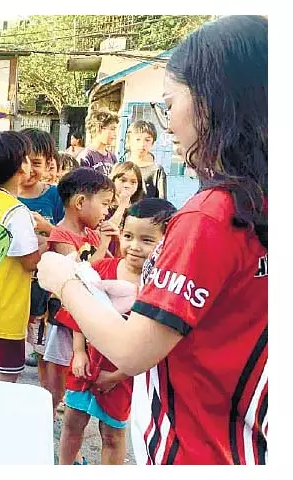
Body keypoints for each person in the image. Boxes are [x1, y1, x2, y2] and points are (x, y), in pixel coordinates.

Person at [36, 15, 268, 465]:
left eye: (169, 104)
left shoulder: (209, 215)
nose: (167, 125)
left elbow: (131, 350)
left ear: (211, 102)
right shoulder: (261, 202)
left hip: (197, 447)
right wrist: (140, 296)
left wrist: (64, 280)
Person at [57, 198, 177, 465]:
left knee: (112, 434)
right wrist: (79, 352)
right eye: (128, 236)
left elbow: (155, 346)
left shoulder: (161, 287)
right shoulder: (101, 270)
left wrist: (116, 376)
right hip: (85, 365)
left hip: (124, 376)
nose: (134, 246)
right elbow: (79, 312)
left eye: (147, 240)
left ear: (168, 243)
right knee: (72, 422)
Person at [43, 168, 117, 420]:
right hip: (64, 319)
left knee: (78, 378)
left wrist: (117, 242)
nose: (107, 211)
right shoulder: (60, 235)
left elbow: (110, 267)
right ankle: (47, 418)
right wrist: (103, 245)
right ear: (80, 202)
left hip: (87, 319)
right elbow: (79, 274)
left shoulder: (93, 234)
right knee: (57, 381)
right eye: (104, 203)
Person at [0, 132, 42, 383]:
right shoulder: (17, 211)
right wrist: (50, 243)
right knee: (7, 374)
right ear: (20, 166)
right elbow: (29, 261)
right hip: (8, 309)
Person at [17, 128, 65, 380]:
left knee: (44, 348)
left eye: (35, 163)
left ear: (49, 165)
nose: (27, 169)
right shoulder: (3, 196)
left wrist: (48, 229)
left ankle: (50, 394)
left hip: (44, 286)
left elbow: (69, 236)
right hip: (13, 283)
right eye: (21, 161)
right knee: (8, 344)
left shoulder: (55, 196)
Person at [105, 161, 145, 256]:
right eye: (123, 180)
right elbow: (108, 228)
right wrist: (122, 205)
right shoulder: (105, 205)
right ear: (113, 180)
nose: (127, 185)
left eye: (133, 182)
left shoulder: (138, 208)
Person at [123, 120, 167, 199]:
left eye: (147, 140)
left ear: (152, 143)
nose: (142, 144)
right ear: (129, 140)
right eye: (138, 139)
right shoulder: (121, 168)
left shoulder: (157, 170)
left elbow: (162, 201)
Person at [77, 110, 119, 176]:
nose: (115, 134)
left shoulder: (112, 157)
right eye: (112, 129)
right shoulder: (86, 157)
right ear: (99, 128)